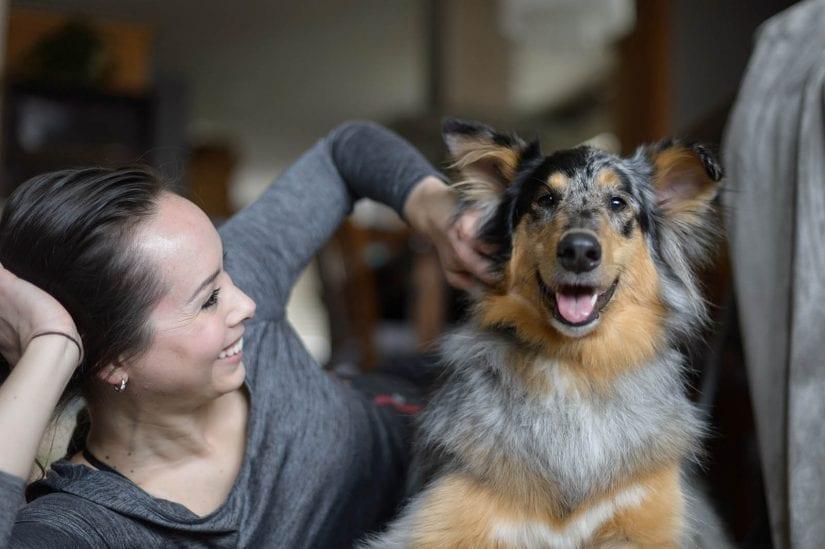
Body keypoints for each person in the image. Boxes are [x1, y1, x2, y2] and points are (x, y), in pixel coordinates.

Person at [0, 122, 494, 547]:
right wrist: (52, 345)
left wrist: (440, 213)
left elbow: (345, 152)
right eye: (209, 300)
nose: (247, 303)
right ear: (113, 360)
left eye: (225, 274)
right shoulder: (92, 525)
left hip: (432, 415)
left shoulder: (227, 283)